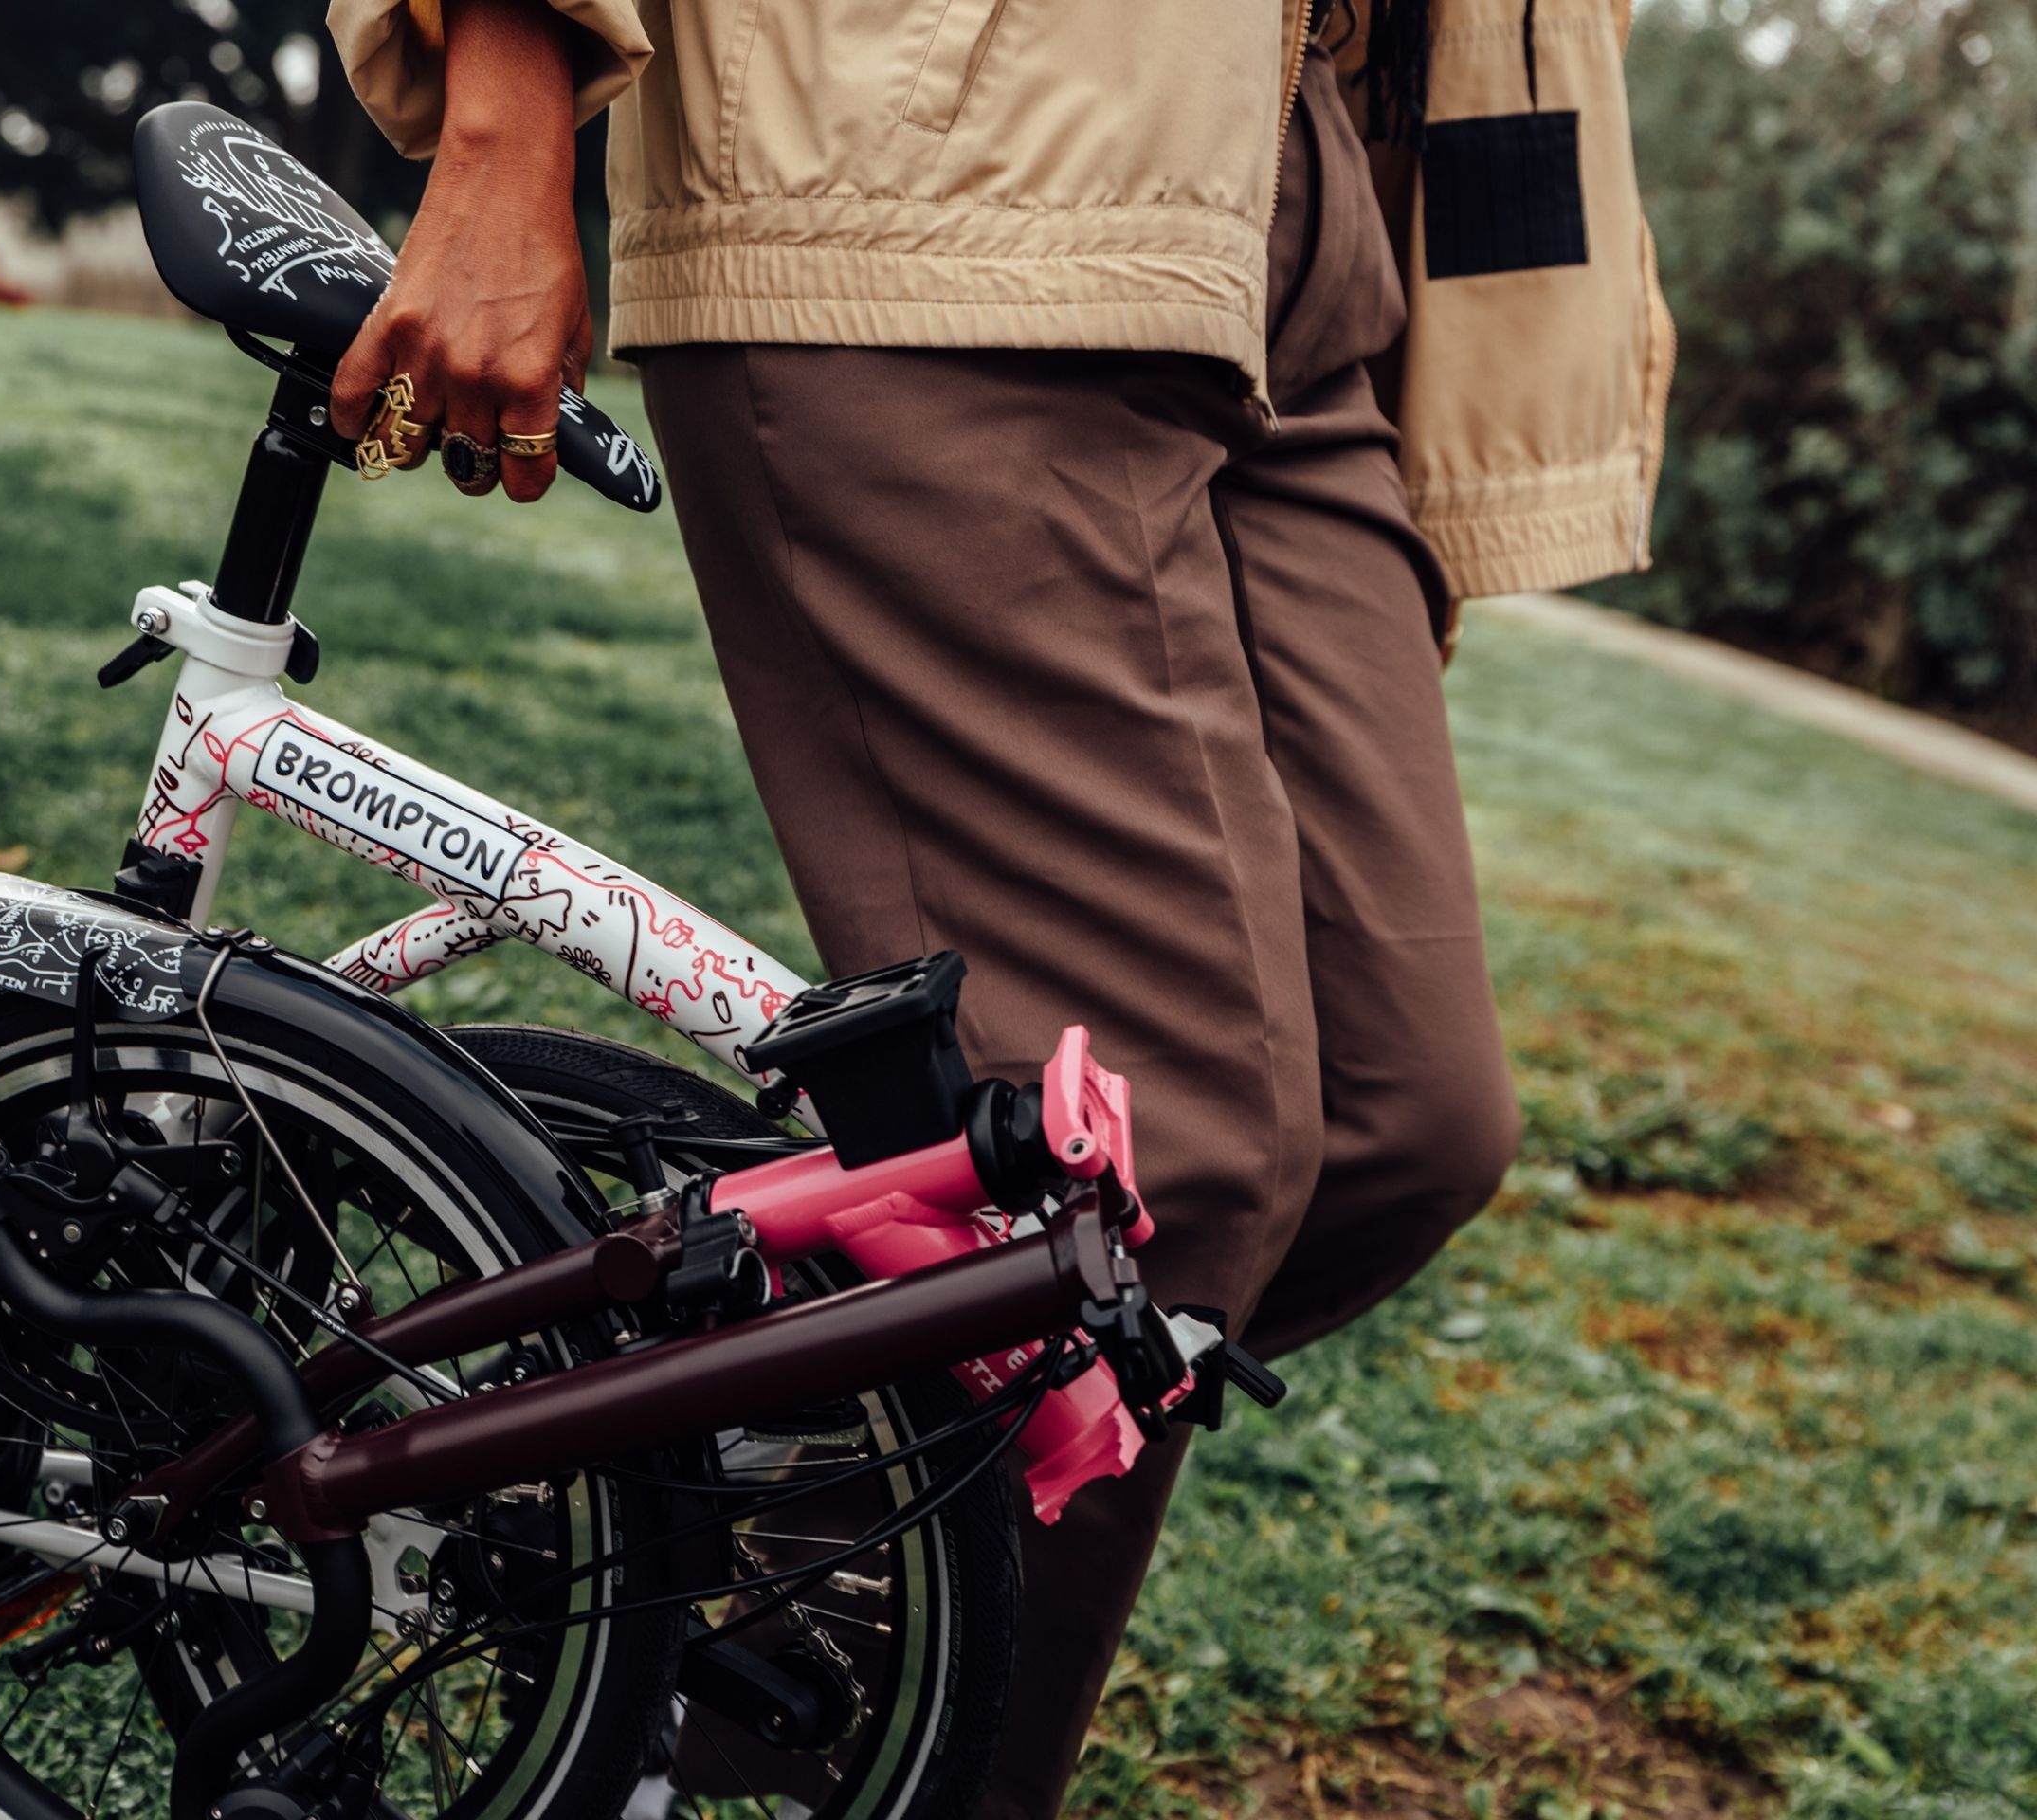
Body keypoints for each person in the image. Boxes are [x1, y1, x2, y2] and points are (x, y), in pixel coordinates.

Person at [321, 0, 1669, 1812]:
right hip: (925, 176)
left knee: (1396, 1120)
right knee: (1157, 1173)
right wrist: (503, 103)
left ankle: (744, 1593)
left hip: (1284, 208)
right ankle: (829, 1729)